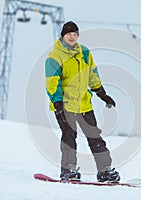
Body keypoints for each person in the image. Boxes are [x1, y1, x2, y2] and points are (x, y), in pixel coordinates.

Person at [45, 21, 120, 182]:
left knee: (95, 137)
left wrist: (102, 93)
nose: (72, 37)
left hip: (84, 104)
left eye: (74, 34)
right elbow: (52, 82)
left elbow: (92, 74)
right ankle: (68, 170)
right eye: (68, 34)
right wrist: (57, 103)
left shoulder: (85, 52)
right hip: (65, 105)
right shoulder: (54, 57)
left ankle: (105, 170)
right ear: (63, 36)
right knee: (69, 136)